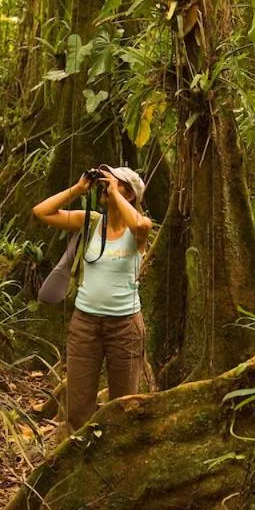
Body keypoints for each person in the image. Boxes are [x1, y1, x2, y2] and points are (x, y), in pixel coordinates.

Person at [32, 165, 153, 431]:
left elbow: (141, 223)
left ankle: (118, 461)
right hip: (84, 324)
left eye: (115, 182)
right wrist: (78, 189)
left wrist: (116, 193)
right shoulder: (91, 221)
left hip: (125, 327)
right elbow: (41, 212)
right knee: (78, 405)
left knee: (124, 404)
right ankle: (80, 460)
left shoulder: (137, 232)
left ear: (130, 194)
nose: (106, 185)